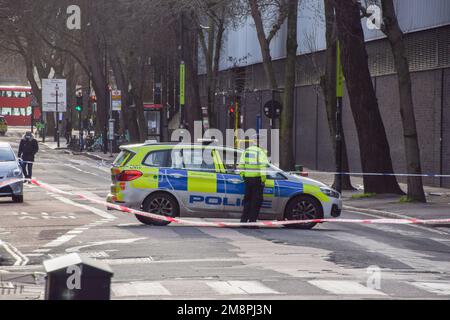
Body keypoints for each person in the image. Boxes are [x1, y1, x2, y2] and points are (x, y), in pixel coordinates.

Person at [238, 136, 270, 225]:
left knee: (247, 200)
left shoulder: (247, 150)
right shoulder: (260, 152)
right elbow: (263, 167)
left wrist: (243, 176)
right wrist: (263, 179)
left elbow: (240, 165)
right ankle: (252, 222)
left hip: (247, 179)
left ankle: (243, 221)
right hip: (257, 180)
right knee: (256, 201)